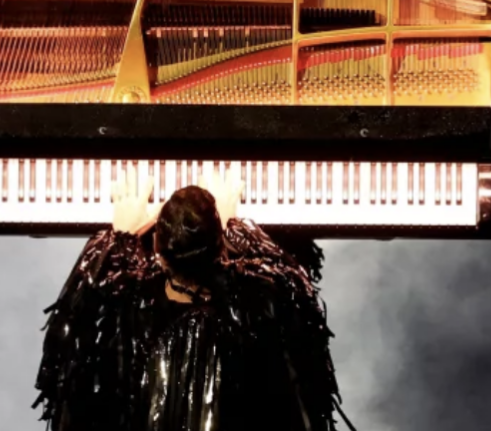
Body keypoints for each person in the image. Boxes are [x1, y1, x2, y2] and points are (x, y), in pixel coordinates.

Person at [33, 166, 344, 430]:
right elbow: (299, 298)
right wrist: (237, 227)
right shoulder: (256, 315)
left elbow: (72, 337)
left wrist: (120, 237)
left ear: (158, 255)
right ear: (222, 249)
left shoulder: (125, 314)